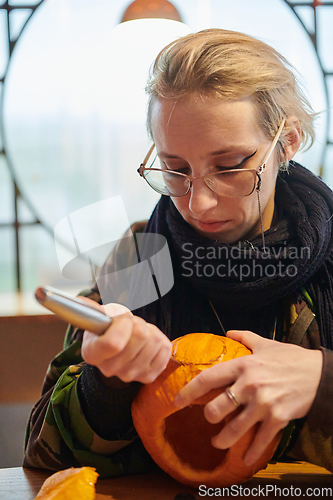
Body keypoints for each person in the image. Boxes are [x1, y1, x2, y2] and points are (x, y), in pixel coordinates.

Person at [24, 29, 333, 477]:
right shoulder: (138, 260)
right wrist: (106, 382)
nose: (198, 203)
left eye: (228, 168)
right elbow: (40, 459)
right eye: (175, 170)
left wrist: (323, 382)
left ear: (286, 141)